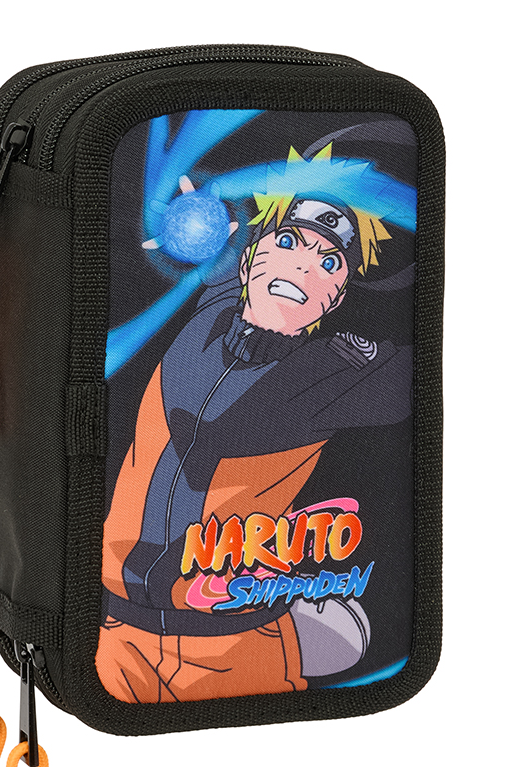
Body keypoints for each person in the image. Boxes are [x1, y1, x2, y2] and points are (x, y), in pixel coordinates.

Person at [98, 146, 413, 703]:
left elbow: (414, 372)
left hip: (232, 651)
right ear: (249, 262)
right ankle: (317, 632)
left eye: (330, 263)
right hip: (117, 635)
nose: (303, 266)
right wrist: (212, 206)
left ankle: (315, 634)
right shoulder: (211, 314)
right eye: (288, 242)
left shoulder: (335, 373)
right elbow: (219, 238)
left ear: (336, 297)